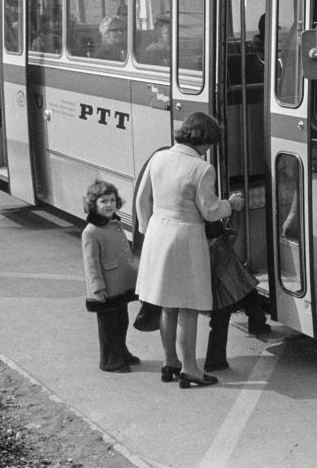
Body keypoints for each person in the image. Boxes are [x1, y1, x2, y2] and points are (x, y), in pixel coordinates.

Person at [135, 112, 244, 389]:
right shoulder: (202, 168)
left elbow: (141, 200)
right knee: (188, 307)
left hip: (158, 233)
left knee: (167, 305)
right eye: (210, 143)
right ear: (204, 140)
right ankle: (190, 369)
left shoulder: (159, 157)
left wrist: (150, 232)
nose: (209, 149)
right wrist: (231, 204)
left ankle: (169, 362)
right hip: (185, 237)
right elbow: (209, 211)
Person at [81, 180, 141, 373]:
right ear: (93, 204)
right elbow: (91, 264)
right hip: (105, 288)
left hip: (119, 285)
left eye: (112, 200)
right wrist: (97, 288)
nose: (109, 205)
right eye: (103, 201)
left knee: (121, 321)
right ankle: (110, 360)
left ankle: (121, 352)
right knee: (109, 327)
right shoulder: (90, 232)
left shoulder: (114, 224)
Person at [204, 214, 270, 372]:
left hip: (216, 293)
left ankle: (215, 360)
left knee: (218, 326)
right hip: (236, 286)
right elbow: (234, 229)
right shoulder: (223, 242)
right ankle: (257, 325)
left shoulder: (199, 247)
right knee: (252, 297)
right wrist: (236, 210)